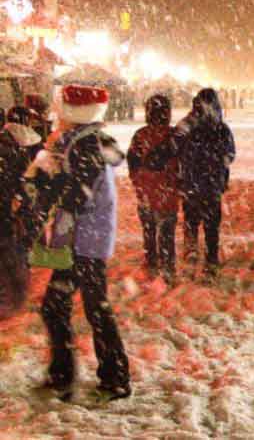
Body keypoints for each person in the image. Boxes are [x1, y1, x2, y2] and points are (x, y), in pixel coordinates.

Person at [30, 85, 131, 402]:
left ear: (76, 111)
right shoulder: (83, 141)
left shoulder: (86, 145)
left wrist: (48, 209)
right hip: (85, 237)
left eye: (63, 106)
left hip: (85, 239)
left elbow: (76, 192)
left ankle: (105, 375)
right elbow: (68, 185)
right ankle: (89, 374)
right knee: (76, 306)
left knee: (78, 306)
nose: (58, 111)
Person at [175, 88, 236, 278]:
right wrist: (217, 164)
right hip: (212, 184)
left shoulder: (187, 125)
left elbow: (174, 146)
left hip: (191, 182)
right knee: (211, 225)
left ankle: (191, 249)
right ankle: (211, 260)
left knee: (191, 220)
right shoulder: (222, 128)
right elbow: (230, 155)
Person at [127, 95, 180, 284]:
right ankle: (167, 266)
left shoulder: (140, 135)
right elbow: (182, 164)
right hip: (168, 191)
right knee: (167, 232)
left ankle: (151, 262)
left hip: (147, 191)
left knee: (148, 230)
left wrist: (138, 182)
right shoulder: (174, 136)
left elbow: (132, 162)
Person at [0, 107, 42, 320]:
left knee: (10, 254)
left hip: (8, 212)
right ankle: (14, 299)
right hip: (10, 212)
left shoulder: (10, 149)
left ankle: (12, 300)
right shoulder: (13, 148)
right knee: (12, 254)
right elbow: (26, 183)